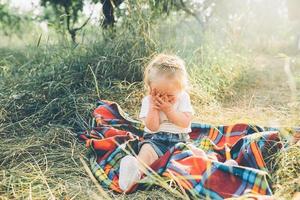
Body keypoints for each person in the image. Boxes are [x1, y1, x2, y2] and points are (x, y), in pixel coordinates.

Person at [118, 53, 198, 192]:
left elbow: (184, 123)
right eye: (159, 94)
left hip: (180, 142)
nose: (164, 99)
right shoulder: (148, 101)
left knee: (194, 156)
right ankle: (133, 174)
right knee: (146, 153)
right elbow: (152, 127)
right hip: (155, 140)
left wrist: (169, 111)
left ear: (181, 90)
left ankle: (215, 167)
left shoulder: (183, 98)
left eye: (170, 95)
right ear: (150, 88)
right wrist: (154, 109)